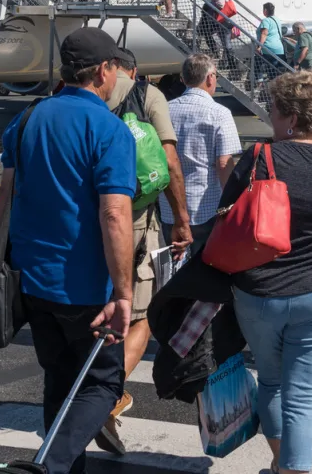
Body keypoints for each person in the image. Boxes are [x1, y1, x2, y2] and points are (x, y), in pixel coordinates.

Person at [0, 27, 136, 472]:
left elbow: (5, 194)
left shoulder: (28, 118)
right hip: (85, 285)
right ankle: (50, 465)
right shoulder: (109, 129)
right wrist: (124, 293)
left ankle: (60, 467)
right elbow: (114, 215)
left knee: (58, 380)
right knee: (101, 384)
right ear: (103, 71)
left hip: (33, 278)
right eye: (114, 67)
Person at [221, 72, 312, 474]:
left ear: (291, 118)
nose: (271, 116)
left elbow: (227, 212)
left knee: (272, 382)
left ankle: (282, 462)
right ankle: (290, 468)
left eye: (275, 109)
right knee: (303, 396)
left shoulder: (260, 157)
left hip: (261, 289)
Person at [101, 48, 191, 452]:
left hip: (87, 219)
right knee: (142, 313)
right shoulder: (147, 95)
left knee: (96, 309)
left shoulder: (77, 93)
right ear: (131, 69)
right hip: (136, 219)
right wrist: (182, 220)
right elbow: (169, 161)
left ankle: (89, 391)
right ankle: (105, 398)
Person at [159, 54, 242, 254]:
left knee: (174, 268)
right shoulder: (219, 112)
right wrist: (232, 205)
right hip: (205, 206)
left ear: (183, 79)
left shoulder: (165, 110)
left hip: (169, 206)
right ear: (210, 78)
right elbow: (224, 164)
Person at [256, 3, 286, 79]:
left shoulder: (266, 21)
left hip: (268, 49)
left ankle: (259, 84)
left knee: (257, 65)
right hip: (279, 49)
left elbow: (264, 34)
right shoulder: (277, 20)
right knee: (273, 72)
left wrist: (259, 46)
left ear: (265, 10)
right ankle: (271, 86)